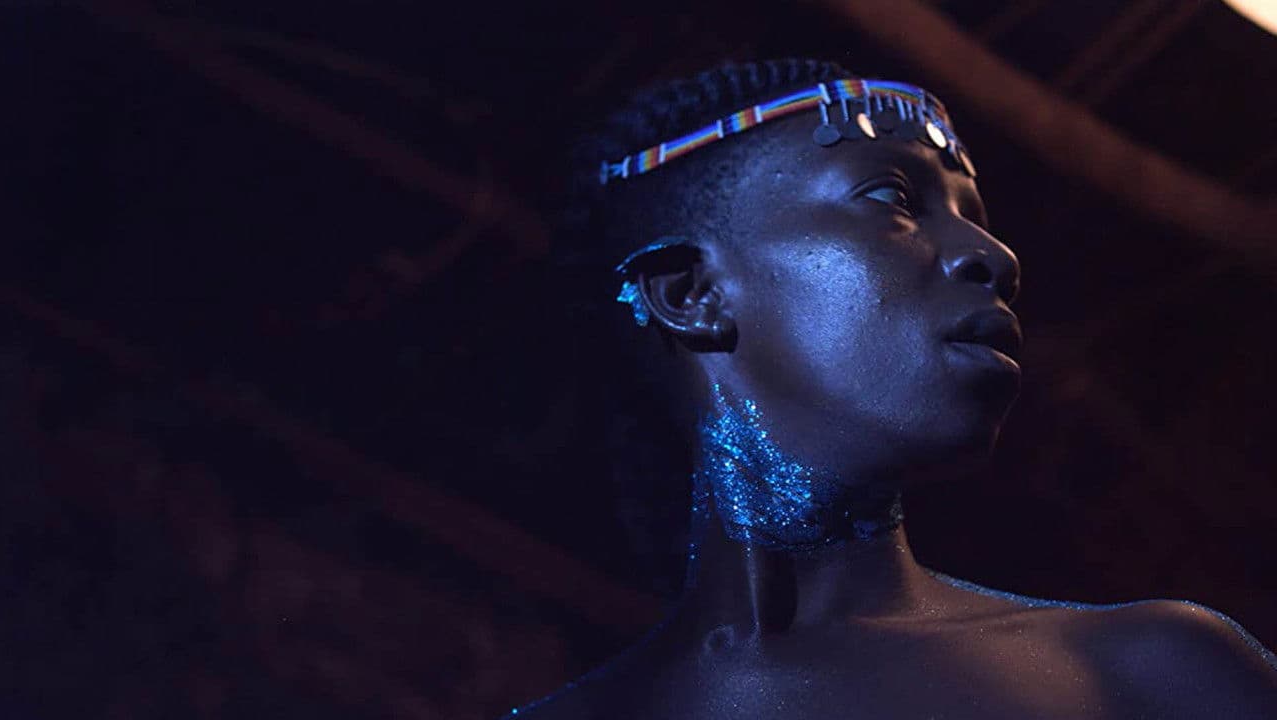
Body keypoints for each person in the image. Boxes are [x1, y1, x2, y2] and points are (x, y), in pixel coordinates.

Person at [507, 58, 1277, 719]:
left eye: (974, 214)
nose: (995, 255)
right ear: (691, 294)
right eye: (892, 199)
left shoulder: (1154, 674)